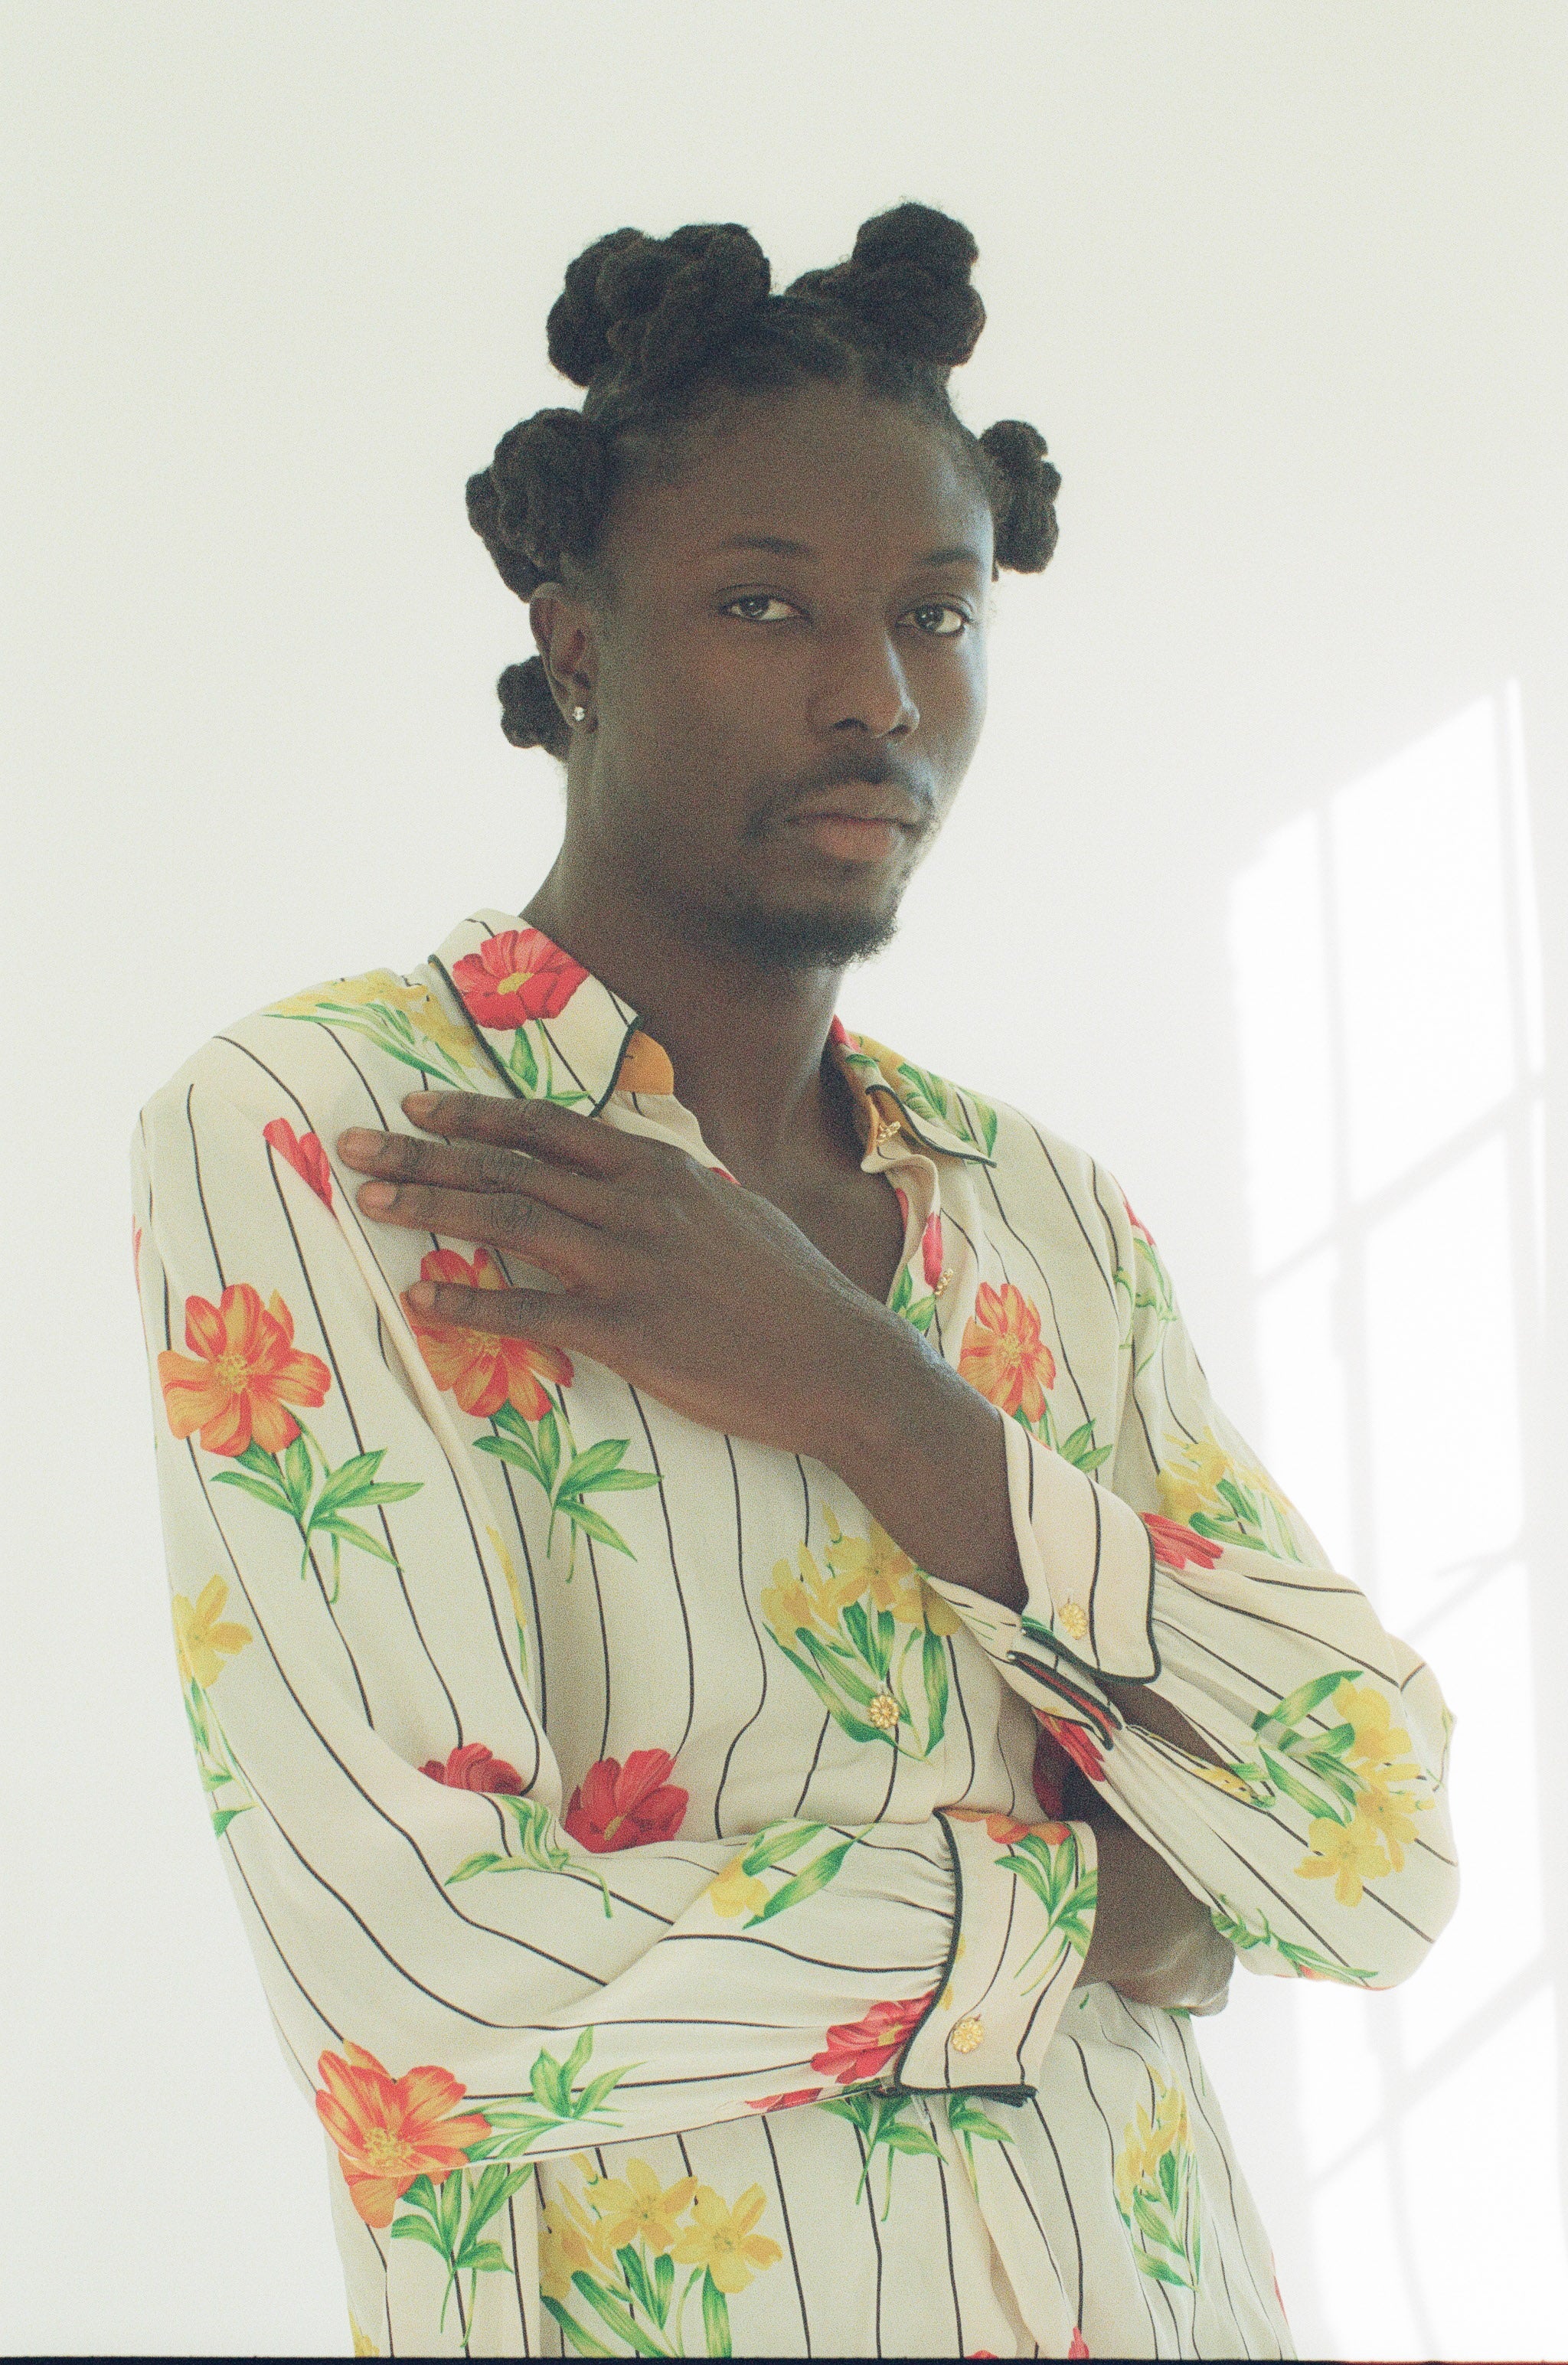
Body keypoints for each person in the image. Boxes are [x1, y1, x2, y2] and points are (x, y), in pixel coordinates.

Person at [132, 204, 1457, 2360]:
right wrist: (1111, 1906)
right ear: (578, 646)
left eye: (936, 614)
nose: (876, 694)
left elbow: (1377, 1855)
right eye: (764, 606)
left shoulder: (1043, 1212)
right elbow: (427, 1999)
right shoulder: (329, 1137)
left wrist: (879, 1401)